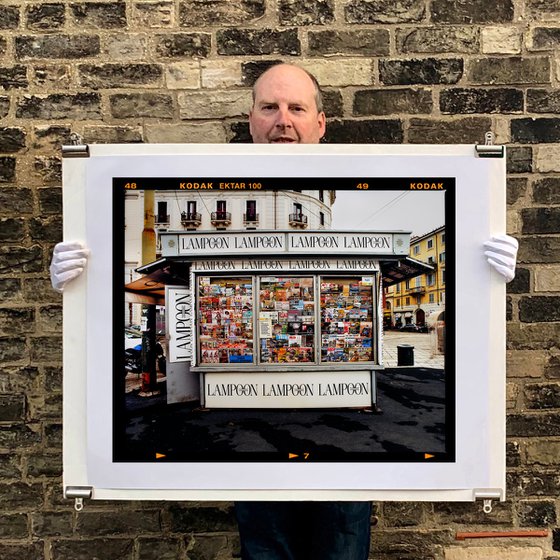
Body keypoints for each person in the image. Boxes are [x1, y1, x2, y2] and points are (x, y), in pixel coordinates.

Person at [50, 63, 519, 559]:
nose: (283, 120)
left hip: (347, 465)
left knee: (341, 544)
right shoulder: (207, 178)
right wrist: (85, 286)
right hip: (253, 456)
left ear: (321, 122)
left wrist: (480, 277)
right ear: (250, 119)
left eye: (296, 108)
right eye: (270, 107)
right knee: (266, 545)